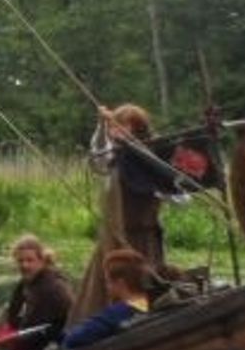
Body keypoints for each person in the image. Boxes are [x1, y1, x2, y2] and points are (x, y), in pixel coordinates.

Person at [71, 102, 182, 327]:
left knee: (139, 284)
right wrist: (102, 124)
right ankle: (94, 327)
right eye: (113, 127)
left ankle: (141, 324)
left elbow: (177, 193)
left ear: (136, 128)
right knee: (102, 288)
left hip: (142, 238)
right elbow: (98, 158)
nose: (114, 132)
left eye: (121, 126)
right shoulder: (115, 157)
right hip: (114, 236)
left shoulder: (147, 159)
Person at [0, 234, 73, 350]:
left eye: (30, 260)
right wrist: (4, 328)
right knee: (4, 310)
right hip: (36, 337)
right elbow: (13, 311)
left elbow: (32, 331)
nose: (24, 265)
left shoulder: (50, 287)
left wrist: (6, 343)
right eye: (20, 261)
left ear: (41, 261)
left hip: (53, 345)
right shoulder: (28, 280)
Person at [63, 248, 151, 349]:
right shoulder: (153, 306)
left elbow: (73, 340)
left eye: (107, 281)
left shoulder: (117, 314)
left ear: (120, 283)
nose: (107, 286)